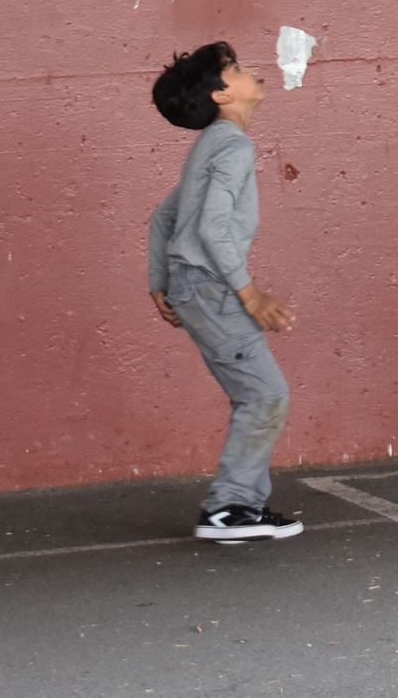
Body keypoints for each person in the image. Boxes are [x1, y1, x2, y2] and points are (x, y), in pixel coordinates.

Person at [147, 41, 303, 541]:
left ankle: (244, 509)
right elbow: (213, 229)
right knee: (264, 395)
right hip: (212, 288)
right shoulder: (233, 146)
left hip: (196, 287)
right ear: (220, 95)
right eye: (236, 69)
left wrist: (159, 281)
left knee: (256, 395)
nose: (251, 71)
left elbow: (164, 217)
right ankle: (229, 509)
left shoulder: (211, 145)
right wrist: (250, 293)